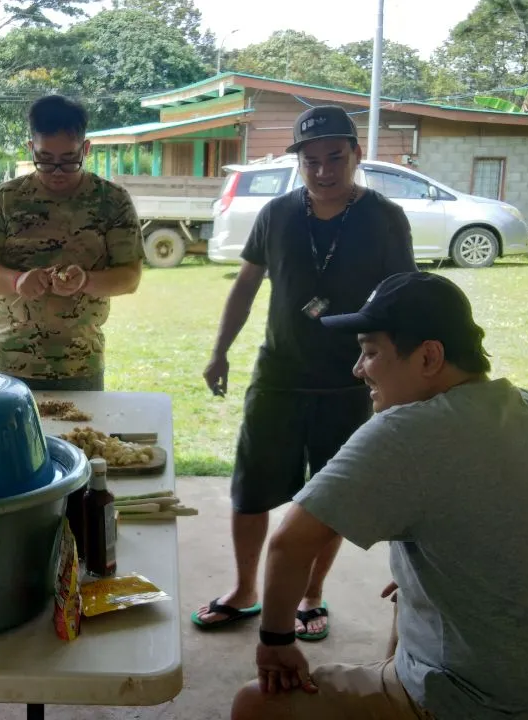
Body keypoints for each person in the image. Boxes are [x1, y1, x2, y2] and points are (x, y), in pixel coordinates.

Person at [232, 271, 528, 720]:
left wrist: (275, 643)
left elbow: (289, 544)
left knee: (255, 704)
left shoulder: (407, 431)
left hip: (481, 704)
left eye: (371, 352)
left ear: (429, 357)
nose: (358, 370)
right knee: (406, 592)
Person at [194, 106, 417, 640]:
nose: (323, 170)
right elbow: (246, 285)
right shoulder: (276, 214)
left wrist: (397, 378)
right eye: (311, 160)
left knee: (329, 497)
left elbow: (404, 300)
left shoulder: (385, 218)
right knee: (250, 489)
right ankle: (247, 589)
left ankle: (311, 594)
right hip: (278, 375)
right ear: (299, 164)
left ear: (356, 155)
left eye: (335, 157)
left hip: (351, 382)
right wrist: (220, 350)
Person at [0, 94, 143, 391]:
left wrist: (85, 281)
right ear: (31, 148)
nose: (57, 172)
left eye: (69, 160)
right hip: (9, 363)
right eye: (45, 160)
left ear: (86, 149)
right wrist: (17, 281)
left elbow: (130, 277)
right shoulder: (6, 199)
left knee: (78, 439)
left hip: (80, 364)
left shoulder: (112, 201)